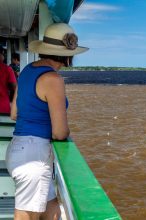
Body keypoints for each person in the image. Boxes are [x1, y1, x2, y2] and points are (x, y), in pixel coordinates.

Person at [6, 23, 88, 220]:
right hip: (35, 156)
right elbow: (59, 132)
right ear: (69, 54)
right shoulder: (53, 79)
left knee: (53, 211)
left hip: (18, 149)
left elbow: (14, 114)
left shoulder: (27, 71)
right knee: (27, 216)